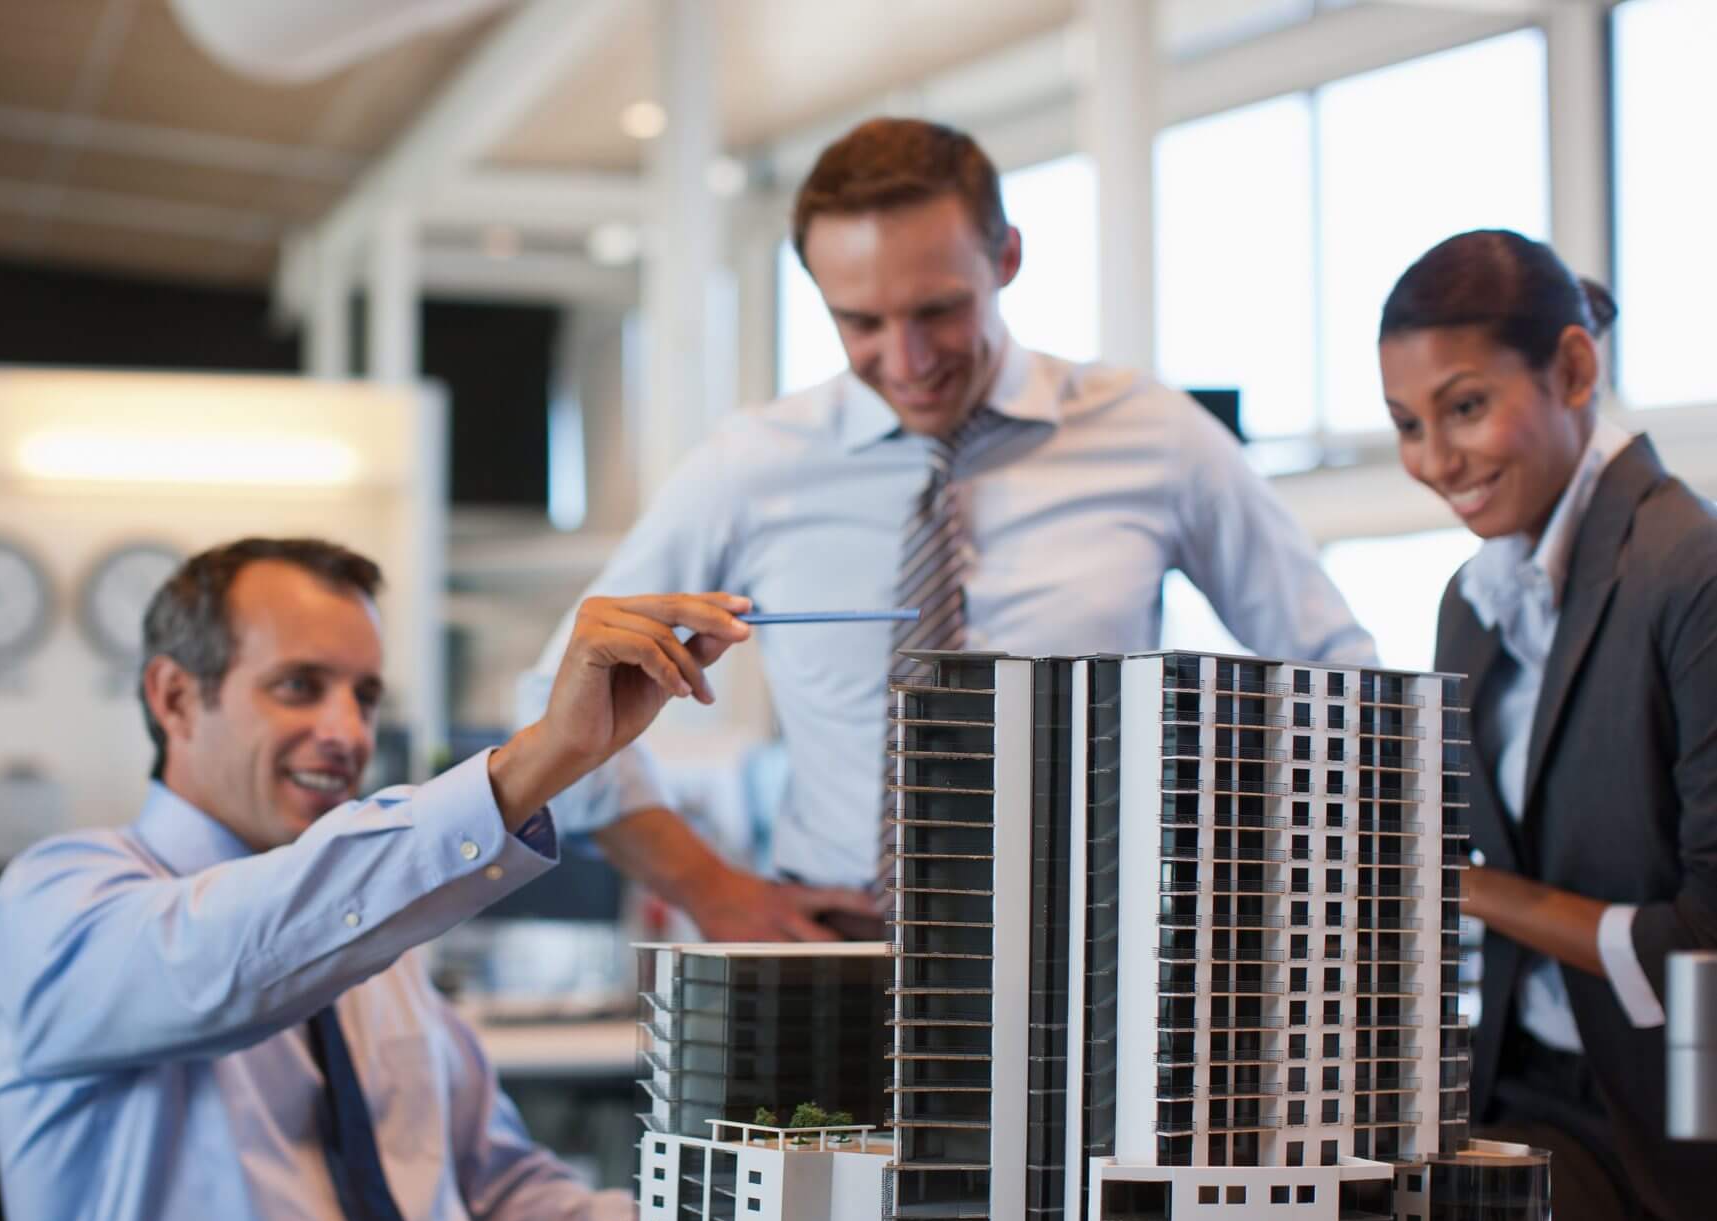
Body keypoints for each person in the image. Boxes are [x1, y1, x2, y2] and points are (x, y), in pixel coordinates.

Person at [520, 117, 1375, 941]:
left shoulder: (1154, 434)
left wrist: (1247, 875)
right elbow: (555, 695)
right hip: (837, 942)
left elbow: (1343, 683)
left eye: (936, 310)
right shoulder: (751, 464)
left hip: (1096, 951)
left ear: (1005, 257)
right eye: (860, 322)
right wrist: (707, 886)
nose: (908, 360)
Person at [0, 537, 752, 1221]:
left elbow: (497, 1196)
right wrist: (542, 758)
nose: (346, 732)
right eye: (299, 687)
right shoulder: (58, 899)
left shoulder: (376, 939)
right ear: (173, 697)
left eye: (366, 695)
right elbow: (234, 957)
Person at [1382, 229, 1717, 1221]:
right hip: (1517, 1100)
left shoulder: (1691, 573)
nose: (1437, 462)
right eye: (1406, 426)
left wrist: (1464, 885)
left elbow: (1709, 941)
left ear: (1575, 370)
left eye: (1466, 408)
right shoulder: (1472, 603)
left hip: (1674, 1139)